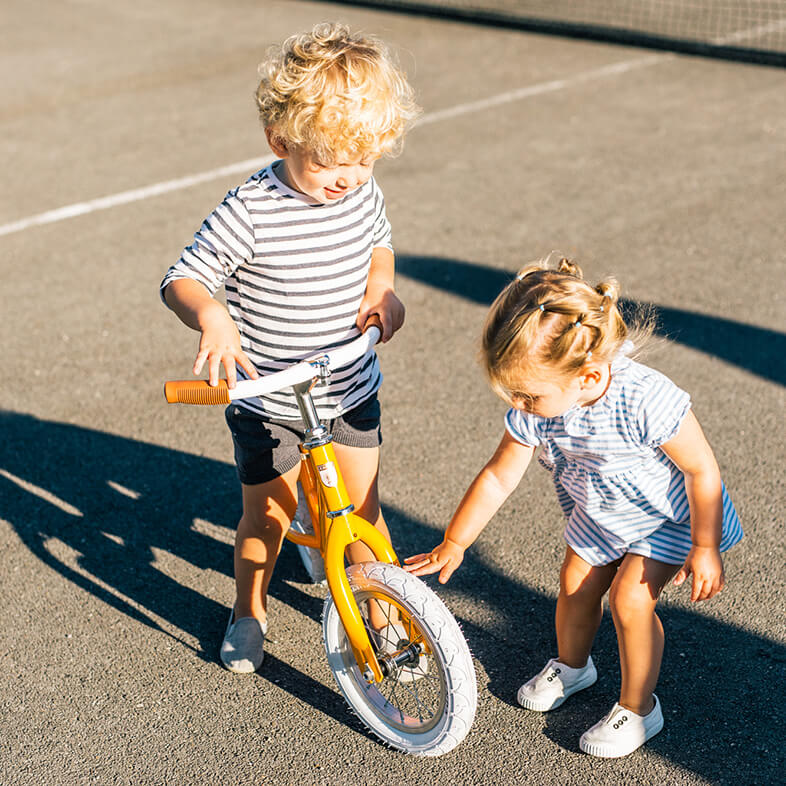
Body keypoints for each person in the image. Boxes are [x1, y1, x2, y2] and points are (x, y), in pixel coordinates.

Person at [405, 257, 743, 758]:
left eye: (527, 394)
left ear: (587, 377)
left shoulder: (645, 398)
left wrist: (706, 545)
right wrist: (456, 540)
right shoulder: (541, 406)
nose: (518, 404)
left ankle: (638, 707)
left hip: (667, 518)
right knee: (574, 586)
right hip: (599, 513)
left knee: (630, 600)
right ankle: (573, 666)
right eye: (512, 392)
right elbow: (499, 475)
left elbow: (701, 470)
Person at [161, 23, 419, 673]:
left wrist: (381, 289)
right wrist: (213, 316)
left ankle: (384, 617)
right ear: (281, 140)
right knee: (268, 515)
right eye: (330, 161)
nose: (349, 178)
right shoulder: (250, 209)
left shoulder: (363, 191)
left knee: (363, 512)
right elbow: (181, 279)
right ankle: (249, 609)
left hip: (348, 386)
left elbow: (378, 241)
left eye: (363, 161)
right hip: (268, 397)